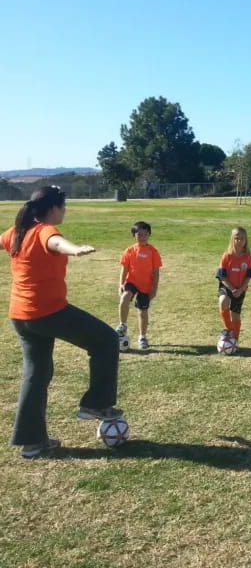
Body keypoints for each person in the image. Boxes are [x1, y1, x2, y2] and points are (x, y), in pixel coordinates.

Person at [1, 187, 122, 459]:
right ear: (52, 208)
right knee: (105, 340)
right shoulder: (44, 230)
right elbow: (56, 244)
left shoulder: (16, 231)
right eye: (63, 206)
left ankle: (33, 443)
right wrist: (75, 249)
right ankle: (96, 404)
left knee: (36, 374)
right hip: (47, 313)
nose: (65, 211)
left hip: (21, 317)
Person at [116, 221, 162, 351]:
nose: (142, 237)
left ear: (149, 235)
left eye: (145, 234)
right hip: (132, 282)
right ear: (134, 236)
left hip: (146, 286)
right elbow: (124, 269)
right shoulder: (130, 251)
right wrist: (121, 283)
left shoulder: (153, 252)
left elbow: (156, 273)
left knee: (143, 312)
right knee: (125, 297)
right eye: (139, 234)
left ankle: (142, 337)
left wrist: (154, 289)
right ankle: (123, 325)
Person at [216, 227, 251, 349]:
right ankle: (228, 330)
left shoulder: (247, 257)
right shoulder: (227, 256)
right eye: (236, 238)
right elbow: (221, 276)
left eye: (242, 238)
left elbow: (249, 276)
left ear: (245, 241)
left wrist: (241, 289)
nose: (239, 241)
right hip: (227, 286)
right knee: (223, 301)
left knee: (235, 314)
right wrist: (232, 289)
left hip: (240, 288)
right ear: (232, 240)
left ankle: (235, 340)